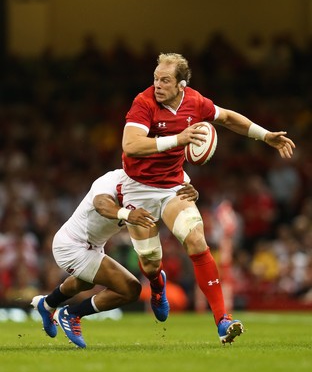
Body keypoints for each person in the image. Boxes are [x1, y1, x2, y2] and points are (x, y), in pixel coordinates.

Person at [120, 52, 296, 344]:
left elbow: (226, 117)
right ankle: (157, 283)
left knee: (197, 241)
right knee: (150, 262)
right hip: (137, 188)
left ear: (182, 85)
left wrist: (265, 136)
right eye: (155, 78)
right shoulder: (144, 102)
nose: (157, 85)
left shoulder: (194, 102)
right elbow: (131, 145)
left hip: (174, 186)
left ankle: (222, 321)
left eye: (165, 80)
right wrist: (178, 140)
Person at [31, 168, 198, 348]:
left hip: (93, 246)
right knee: (130, 289)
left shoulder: (144, 188)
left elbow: (171, 191)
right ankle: (71, 314)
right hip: (72, 246)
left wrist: (192, 193)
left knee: (85, 283)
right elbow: (101, 204)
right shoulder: (111, 180)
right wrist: (128, 214)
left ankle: (47, 303)